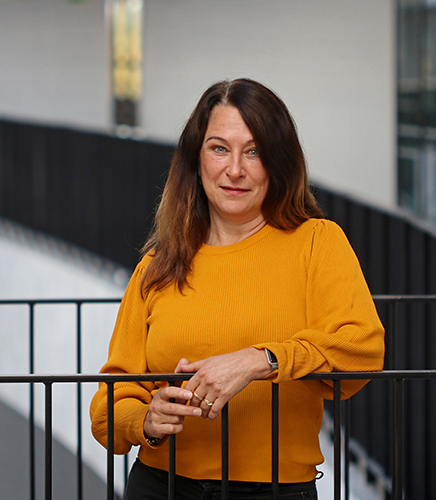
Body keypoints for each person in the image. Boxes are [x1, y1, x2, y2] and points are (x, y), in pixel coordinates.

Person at [90, 78, 385, 500]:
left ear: (278, 162)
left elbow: (363, 347)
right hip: (160, 487)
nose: (234, 170)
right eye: (219, 148)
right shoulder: (157, 265)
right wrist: (145, 421)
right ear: (196, 159)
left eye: (254, 151)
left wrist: (260, 360)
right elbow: (108, 405)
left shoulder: (317, 242)